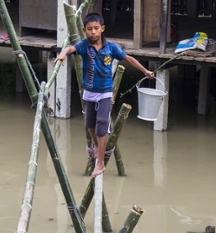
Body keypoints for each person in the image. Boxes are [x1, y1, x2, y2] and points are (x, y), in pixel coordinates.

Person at [55, 12, 154, 178]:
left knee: (102, 125)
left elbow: (128, 59)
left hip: (105, 93)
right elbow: (70, 48)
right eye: (89, 29)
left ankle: (100, 163)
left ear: (102, 29)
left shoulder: (111, 47)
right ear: (84, 30)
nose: (93, 32)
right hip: (89, 92)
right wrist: (62, 55)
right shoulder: (84, 46)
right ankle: (97, 147)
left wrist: (145, 71)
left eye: (96, 28)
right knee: (90, 125)